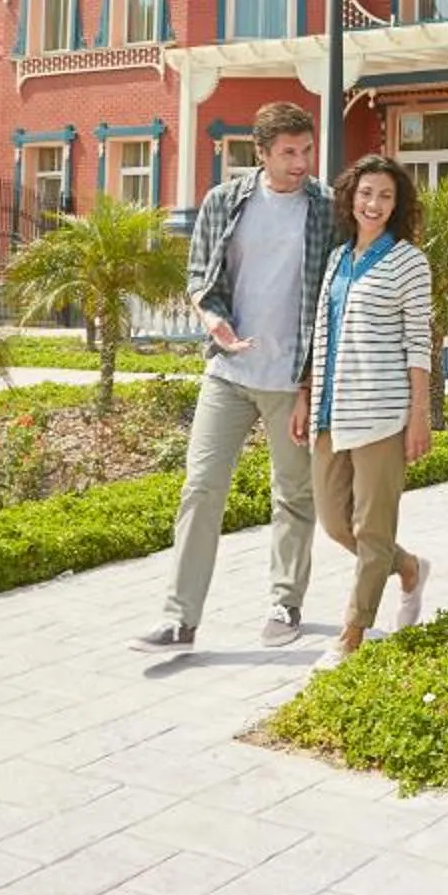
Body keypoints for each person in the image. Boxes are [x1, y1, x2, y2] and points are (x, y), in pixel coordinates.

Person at [134, 100, 340, 654]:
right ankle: (180, 619)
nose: (301, 162)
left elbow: (333, 299)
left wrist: (309, 385)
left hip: (289, 376)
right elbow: (200, 277)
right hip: (228, 372)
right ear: (263, 152)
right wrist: (214, 319)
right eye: (289, 153)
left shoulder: (326, 208)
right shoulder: (225, 202)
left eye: (306, 150)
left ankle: (285, 600)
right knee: (200, 488)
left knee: (293, 494)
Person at [294, 154, 434, 669]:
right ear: (351, 197)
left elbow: (418, 343)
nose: (374, 204)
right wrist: (307, 396)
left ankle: (352, 633)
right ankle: (410, 567)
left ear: (397, 206)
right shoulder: (336, 260)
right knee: (335, 523)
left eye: (386, 196)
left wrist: (419, 416)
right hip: (331, 411)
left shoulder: (409, 262)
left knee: (372, 529)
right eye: (366, 193)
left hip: (382, 412)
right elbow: (320, 334)